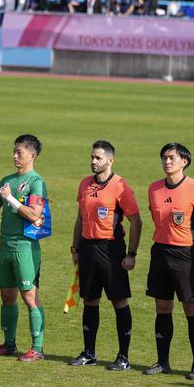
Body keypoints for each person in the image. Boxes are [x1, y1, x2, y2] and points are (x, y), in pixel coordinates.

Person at [68, 140, 142, 371]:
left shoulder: (120, 186)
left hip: (111, 250)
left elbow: (136, 220)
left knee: (119, 301)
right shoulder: (84, 184)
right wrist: (75, 247)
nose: (93, 161)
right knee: (90, 300)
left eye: (98, 158)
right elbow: (80, 218)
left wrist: (131, 254)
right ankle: (89, 353)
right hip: (88, 249)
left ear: (110, 160)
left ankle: (123, 356)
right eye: (92, 157)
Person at [143, 143, 194, 380]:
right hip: (160, 253)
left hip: (185, 256)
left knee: (191, 309)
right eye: (164, 157)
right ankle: (163, 362)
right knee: (162, 308)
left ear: (184, 161)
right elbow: (156, 219)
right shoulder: (154, 189)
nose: (167, 161)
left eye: (172, 157)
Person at [0, 134, 49, 362]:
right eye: (14, 151)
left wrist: (11, 200)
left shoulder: (36, 182)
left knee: (29, 296)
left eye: (19, 152)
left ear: (32, 155)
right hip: (6, 246)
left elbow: (34, 215)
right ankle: (9, 344)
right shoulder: (7, 180)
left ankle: (37, 348)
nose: (15, 156)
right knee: (7, 295)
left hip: (25, 248)